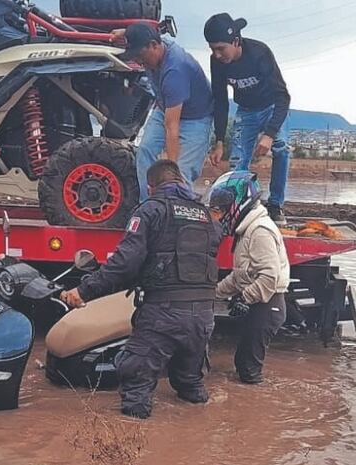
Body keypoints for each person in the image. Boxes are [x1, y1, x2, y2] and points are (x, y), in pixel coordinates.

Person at [60, 159, 223, 419]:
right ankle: (196, 443)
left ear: (150, 186)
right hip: (203, 317)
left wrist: (84, 291)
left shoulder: (150, 211)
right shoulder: (206, 216)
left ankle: (137, 452)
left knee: (136, 395)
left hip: (163, 314)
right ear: (180, 181)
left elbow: (125, 263)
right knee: (191, 388)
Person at [204, 13, 292, 222]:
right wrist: (218, 141)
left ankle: (276, 205)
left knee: (281, 148)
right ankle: (240, 206)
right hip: (246, 111)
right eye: (212, 49)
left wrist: (269, 134)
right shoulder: (217, 63)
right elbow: (221, 100)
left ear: (235, 42)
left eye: (220, 48)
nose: (217, 55)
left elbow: (283, 96)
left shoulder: (259, 53)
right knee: (237, 161)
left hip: (272, 106)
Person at [113, 23, 215, 201]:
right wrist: (125, 32)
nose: (138, 61)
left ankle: (177, 213)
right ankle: (148, 207)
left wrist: (171, 168)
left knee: (181, 173)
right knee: (145, 151)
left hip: (195, 119)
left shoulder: (175, 70)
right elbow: (148, 29)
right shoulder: (157, 42)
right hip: (164, 108)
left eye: (140, 55)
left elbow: (172, 127)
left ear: (153, 45)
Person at [208, 171, 291, 384]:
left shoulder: (260, 231)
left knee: (248, 369)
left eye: (223, 208)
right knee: (242, 362)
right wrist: (211, 292)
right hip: (260, 303)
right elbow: (239, 277)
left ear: (239, 203)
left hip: (267, 304)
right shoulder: (246, 231)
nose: (220, 214)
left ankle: (255, 411)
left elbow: (269, 276)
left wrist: (245, 299)